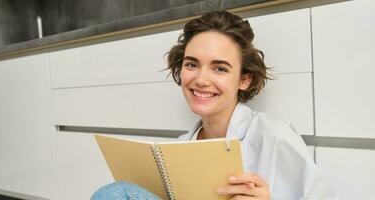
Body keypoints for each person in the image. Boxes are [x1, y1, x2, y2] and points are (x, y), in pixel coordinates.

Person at [92, 10, 336, 200]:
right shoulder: (178, 148)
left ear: (244, 79)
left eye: (220, 68)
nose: (201, 79)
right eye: (191, 64)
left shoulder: (273, 136)